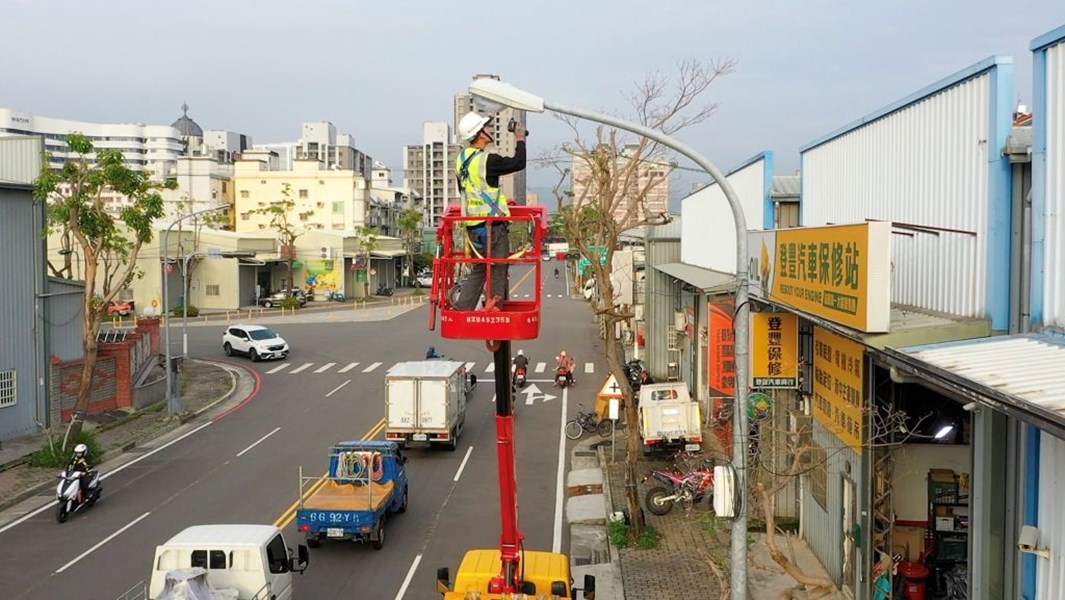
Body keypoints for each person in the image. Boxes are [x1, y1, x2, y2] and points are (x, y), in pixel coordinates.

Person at [453, 111, 527, 310]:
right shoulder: (487, 160)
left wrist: (501, 200)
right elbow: (519, 162)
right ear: (480, 134)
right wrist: (520, 138)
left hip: (473, 226)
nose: (490, 129)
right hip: (492, 226)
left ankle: (463, 306)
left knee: (479, 267)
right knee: (498, 265)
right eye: (486, 127)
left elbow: (468, 190)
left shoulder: (461, 159)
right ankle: (494, 306)